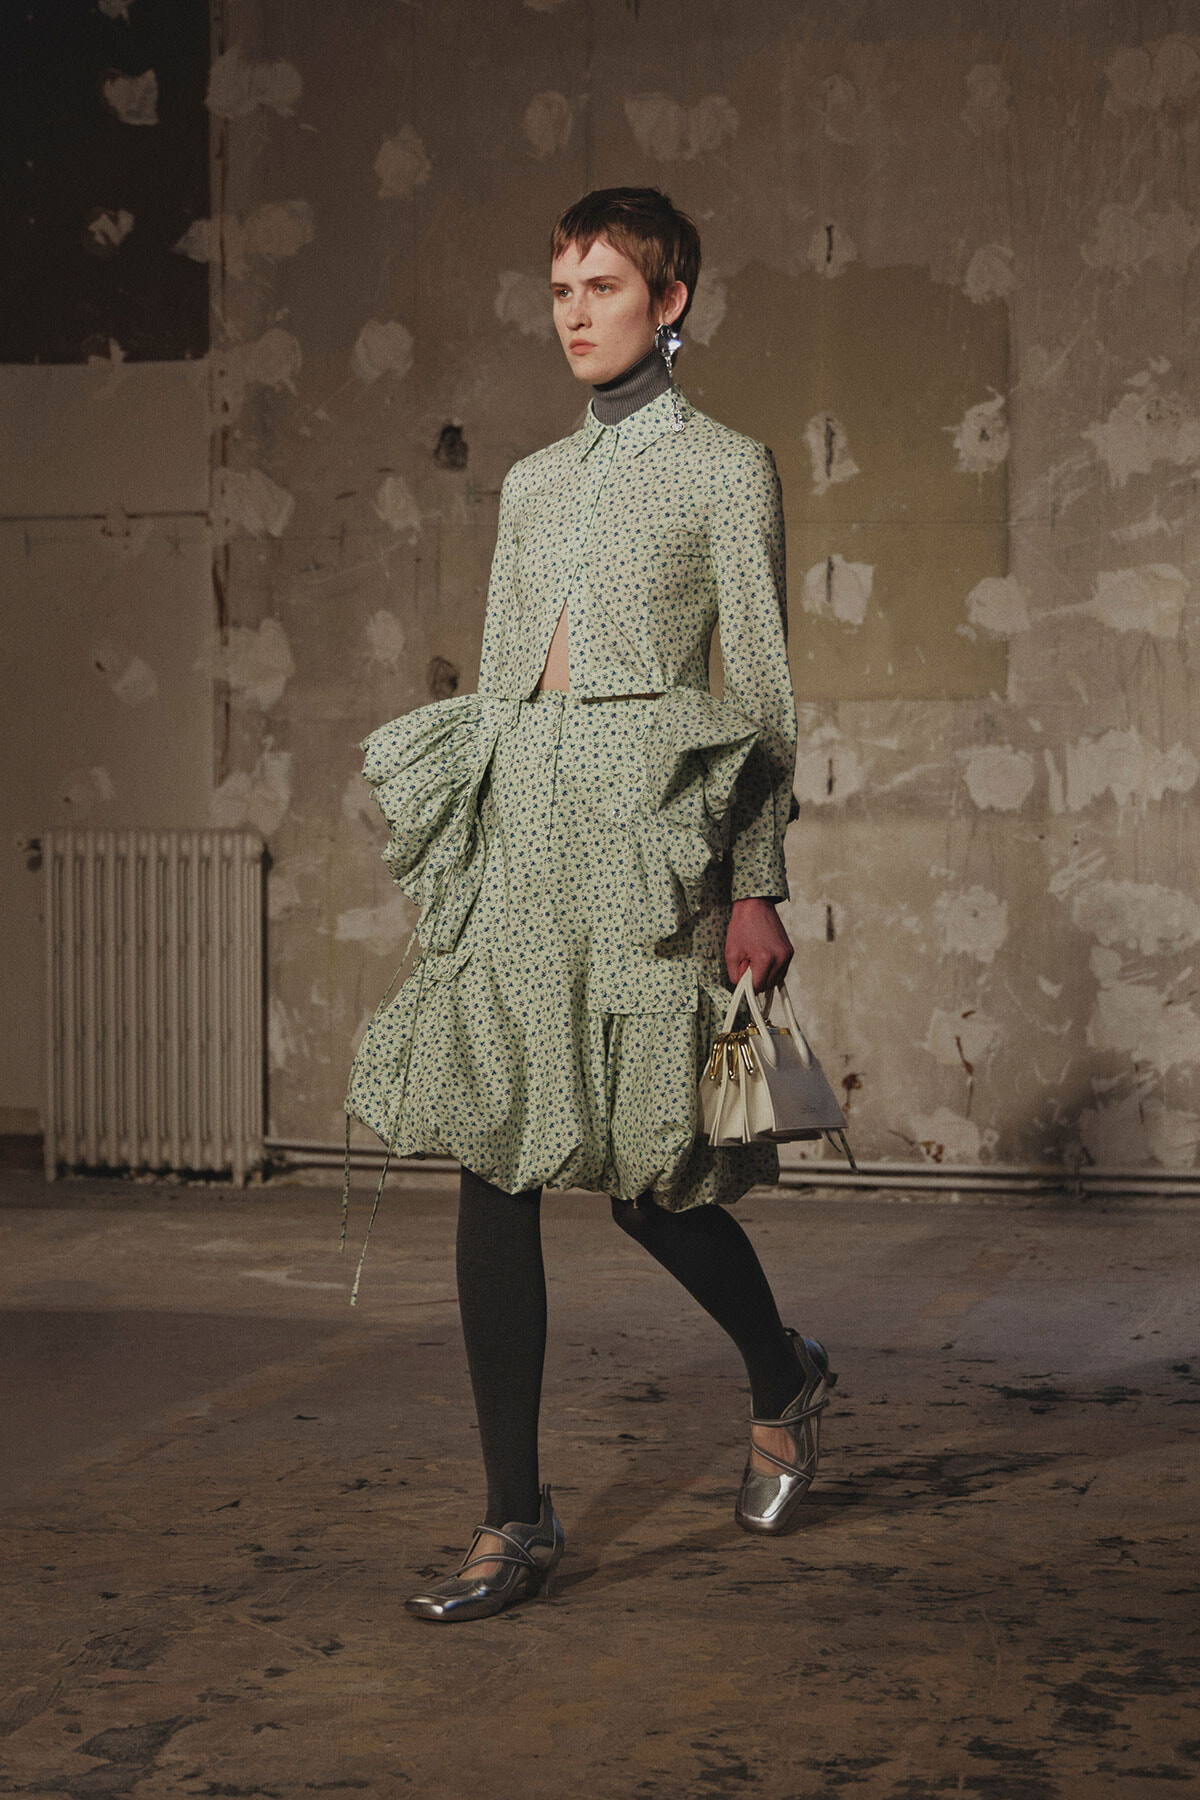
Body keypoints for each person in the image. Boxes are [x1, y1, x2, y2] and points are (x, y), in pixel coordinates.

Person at [344, 187, 836, 1623]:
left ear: (669, 302)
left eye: (604, 286)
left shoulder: (728, 471)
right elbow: (503, 686)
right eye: (560, 284)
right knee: (491, 1162)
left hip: (648, 848)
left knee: (649, 1182)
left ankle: (784, 1376)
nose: (573, 310)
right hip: (523, 836)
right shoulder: (533, 483)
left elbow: (757, 695)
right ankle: (513, 1519)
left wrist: (757, 880)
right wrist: (467, 851)